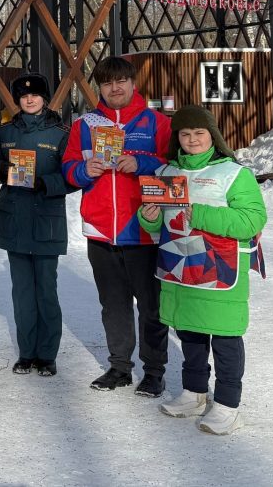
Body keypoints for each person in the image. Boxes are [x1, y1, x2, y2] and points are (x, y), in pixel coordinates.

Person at [138, 105, 267, 436]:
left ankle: (227, 406)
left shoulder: (234, 174)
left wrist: (199, 213)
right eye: (185, 134)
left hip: (219, 267)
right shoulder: (165, 172)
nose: (192, 140)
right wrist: (149, 217)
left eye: (199, 133)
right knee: (190, 332)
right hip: (179, 266)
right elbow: (158, 226)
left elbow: (252, 220)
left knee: (224, 337)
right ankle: (194, 392)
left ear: (213, 136)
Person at [62, 55, 172, 396]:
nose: (115, 88)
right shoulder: (85, 125)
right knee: (113, 305)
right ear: (100, 88)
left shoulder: (155, 122)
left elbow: (173, 166)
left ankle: (153, 371)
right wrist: (83, 171)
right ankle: (120, 367)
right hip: (101, 230)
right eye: (107, 83)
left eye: (120, 81)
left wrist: (141, 164)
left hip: (143, 229)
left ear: (132, 83)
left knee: (151, 307)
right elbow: (68, 167)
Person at [0, 72, 74, 377]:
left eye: (35, 95)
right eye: (24, 96)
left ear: (45, 98)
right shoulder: (3, 132)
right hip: (15, 220)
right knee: (22, 293)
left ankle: (47, 355)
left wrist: (45, 182)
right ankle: (27, 353)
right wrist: (3, 169)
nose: (29, 99)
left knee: (46, 293)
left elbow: (74, 176)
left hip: (46, 221)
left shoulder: (61, 134)